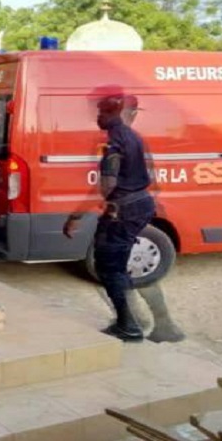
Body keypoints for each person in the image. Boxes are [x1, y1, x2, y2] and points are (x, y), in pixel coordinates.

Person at [62, 94, 155, 342]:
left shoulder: (114, 143)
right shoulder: (134, 137)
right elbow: (151, 176)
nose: (97, 117)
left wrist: (76, 215)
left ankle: (128, 326)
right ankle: (131, 318)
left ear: (111, 114)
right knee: (116, 263)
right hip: (140, 204)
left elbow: (105, 188)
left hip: (123, 211)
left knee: (108, 266)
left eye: (101, 113)